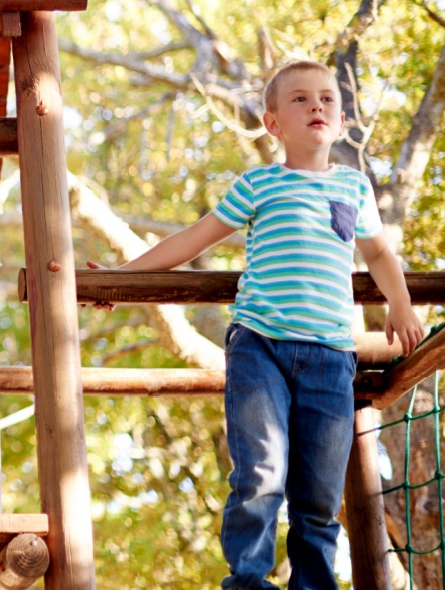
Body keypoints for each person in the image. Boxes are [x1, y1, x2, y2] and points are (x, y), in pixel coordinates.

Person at [88, 60, 424, 589]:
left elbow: (380, 253)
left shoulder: (354, 188)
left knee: (317, 494)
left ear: (340, 123)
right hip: (260, 346)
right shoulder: (260, 184)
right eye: (299, 99)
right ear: (273, 124)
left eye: (326, 100)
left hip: (332, 356)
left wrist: (400, 303)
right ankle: (246, 581)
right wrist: (121, 278)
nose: (316, 106)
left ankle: (312, 584)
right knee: (261, 475)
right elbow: (193, 238)